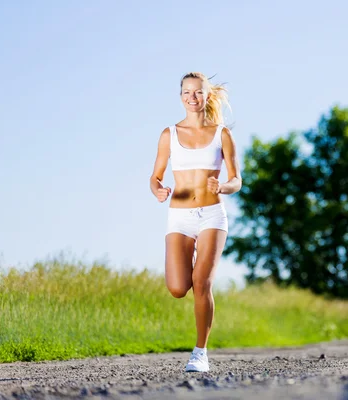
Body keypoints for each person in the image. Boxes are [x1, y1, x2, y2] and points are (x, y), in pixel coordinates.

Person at [149, 72, 241, 372]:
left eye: (198, 92)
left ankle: (199, 353)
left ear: (207, 96)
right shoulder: (169, 134)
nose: (192, 97)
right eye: (186, 92)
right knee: (178, 287)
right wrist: (158, 189)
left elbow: (236, 180)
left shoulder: (222, 134)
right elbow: (155, 175)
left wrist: (224, 187)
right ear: (181, 97)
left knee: (202, 283)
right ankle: (188, 270)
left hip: (213, 215)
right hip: (179, 216)